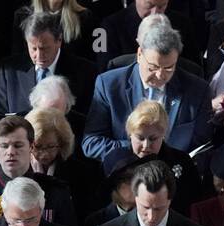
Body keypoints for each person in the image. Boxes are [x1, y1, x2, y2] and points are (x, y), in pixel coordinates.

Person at [83, 15, 211, 160]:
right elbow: (91, 143)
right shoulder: (109, 85)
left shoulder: (198, 90)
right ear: (139, 55)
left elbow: (202, 145)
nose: (160, 75)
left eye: (169, 68)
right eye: (153, 67)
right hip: (124, 172)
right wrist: (139, 147)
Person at [0, 12, 96, 115]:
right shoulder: (9, 71)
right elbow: (2, 119)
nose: (39, 56)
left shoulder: (85, 72)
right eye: (34, 49)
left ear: (59, 41)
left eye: (45, 49)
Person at [95, 0, 202, 71]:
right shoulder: (109, 25)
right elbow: (104, 68)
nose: (155, 12)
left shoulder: (182, 24)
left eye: (161, 6)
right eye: (149, 6)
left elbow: (194, 67)